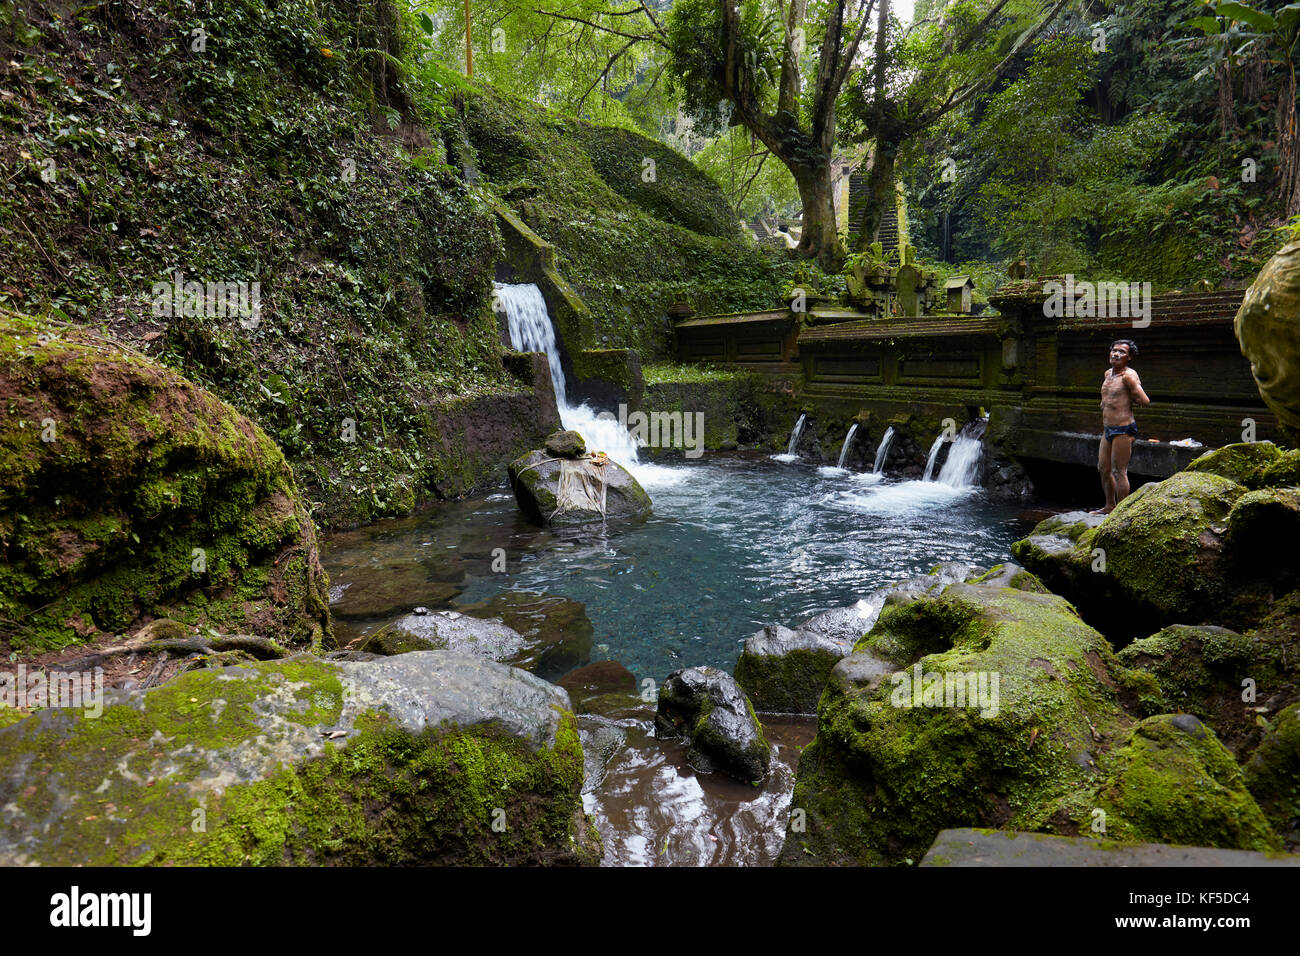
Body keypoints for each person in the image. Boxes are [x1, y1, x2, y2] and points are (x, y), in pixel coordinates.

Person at [1094, 339, 1151, 515]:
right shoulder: (1107, 374)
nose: (1116, 354)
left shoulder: (1129, 376)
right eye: (1114, 350)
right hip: (1108, 428)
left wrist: (1132, 397)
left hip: (1123, 429)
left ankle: (1121, 513)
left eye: (1122, 352)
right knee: (1103, 468)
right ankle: (1109, 506)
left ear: (1129, 357)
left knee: (1120, 471)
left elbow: (1145, 400)